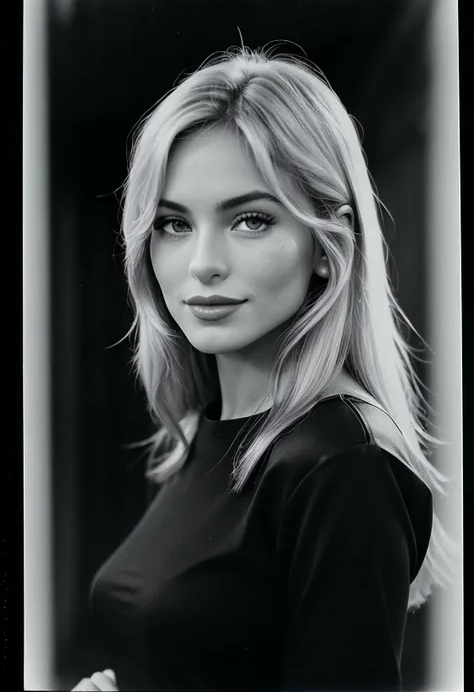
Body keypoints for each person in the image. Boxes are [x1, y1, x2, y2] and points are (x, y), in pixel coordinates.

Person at [72, 44, 454, 691]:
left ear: (329, 245)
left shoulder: (339, 465)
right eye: (172, 223)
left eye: (250, 220)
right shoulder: (207, 428)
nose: (202, 264)